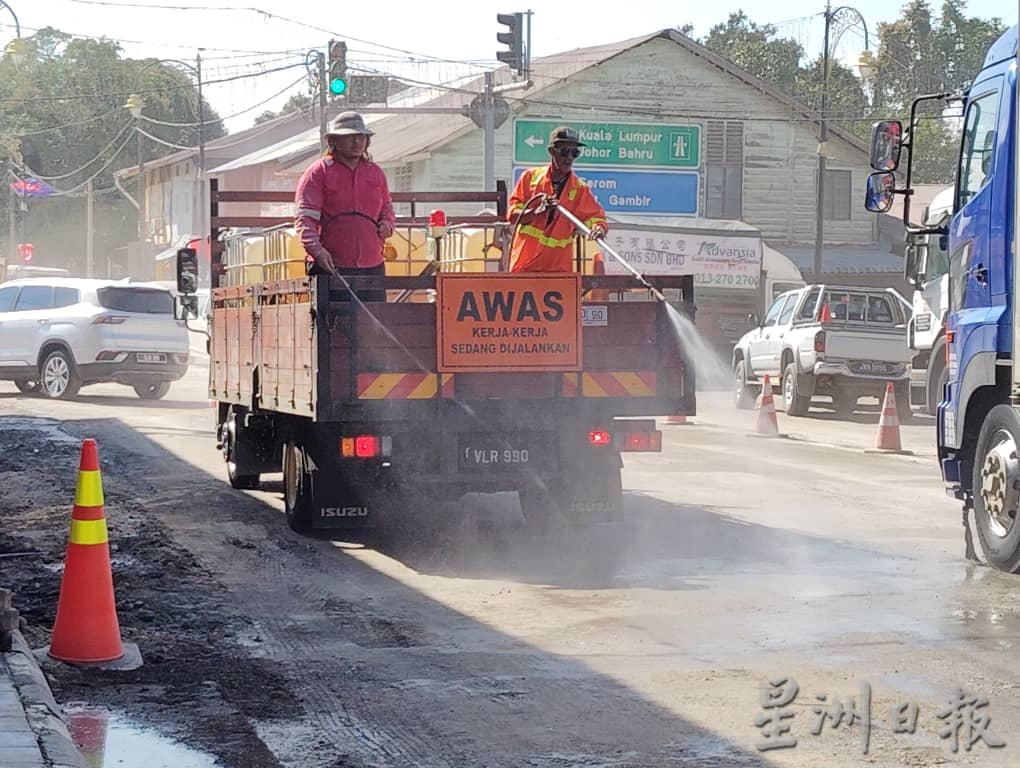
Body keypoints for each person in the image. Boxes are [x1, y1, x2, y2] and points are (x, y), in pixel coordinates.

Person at [294, 111, 396, 302]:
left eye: (361, 137)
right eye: (350, 137)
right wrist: (317, 250)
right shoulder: (318, 173)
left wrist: (387, 225)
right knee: (331, 328)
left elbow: (387, 209)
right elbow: (305, 218)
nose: (357, 142)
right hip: (330, 268)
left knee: (371, 328)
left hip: (371, 268)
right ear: (335, 141)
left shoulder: (376, 173)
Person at [506, 126, 609, 273]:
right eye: (565, 151)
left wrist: (599, 228)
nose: (569, 158)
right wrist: (535, 211)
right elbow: (512, 215)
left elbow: (596, 218)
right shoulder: (530, 178)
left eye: (575, 152)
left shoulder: (579, 190)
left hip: (557, 270)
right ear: (552, 151)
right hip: (524, 265)